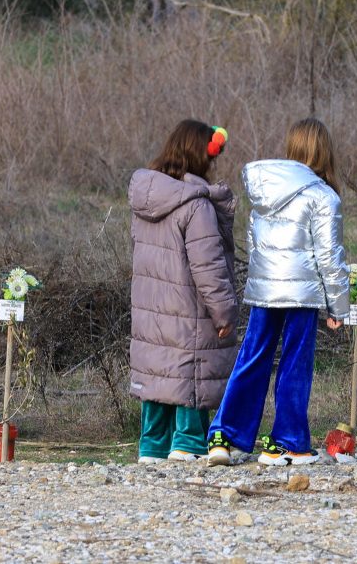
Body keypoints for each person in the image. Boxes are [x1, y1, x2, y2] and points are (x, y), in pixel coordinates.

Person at [207, 118, 350, 466]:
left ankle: (226, 437)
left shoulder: (264, 191)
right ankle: (286, 443)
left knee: (252, 356)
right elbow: (330, 256)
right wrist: (338, 308)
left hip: (263, 288)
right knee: (295, 363)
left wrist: (261, 283)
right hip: (302, 292)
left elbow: (253, 244)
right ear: (323, 151)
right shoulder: (323, 197)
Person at [129, 120, 238, 463]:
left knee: (158, 370)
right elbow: (208, 267)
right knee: (190, 369)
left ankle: (153, 446)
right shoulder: (196, 205)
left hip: (150, 309)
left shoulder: (146, 199)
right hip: (190, 308)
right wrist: (223, 311)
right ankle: (188, 442)